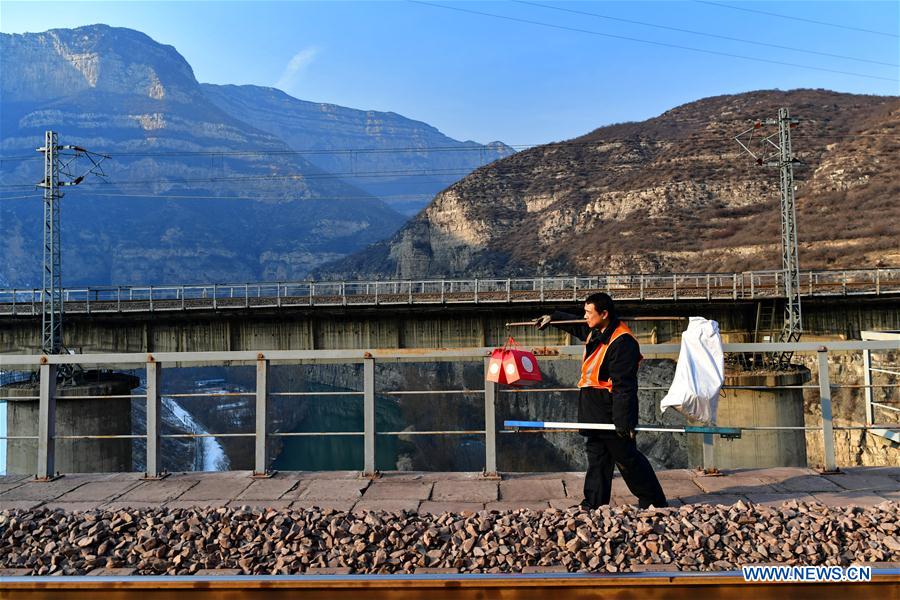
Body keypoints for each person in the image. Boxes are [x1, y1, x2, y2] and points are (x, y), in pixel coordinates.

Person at [536, 292, 667, 510]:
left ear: (604, 314)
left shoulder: (623, 342)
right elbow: (578, 327)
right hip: (591, 405)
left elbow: (624, 385)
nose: (585, 316)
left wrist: (623, 422)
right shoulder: (598, 330)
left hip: (609, 407)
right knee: (597, 455)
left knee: (626, 456)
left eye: (589, 312)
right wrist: (554, 318)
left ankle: (654, 500)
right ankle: (594, 502)